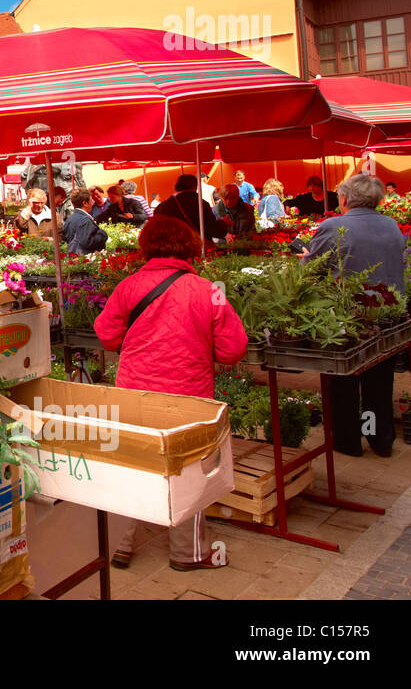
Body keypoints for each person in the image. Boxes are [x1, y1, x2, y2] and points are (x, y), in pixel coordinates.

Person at [95, 216, 247, 571]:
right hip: (187, 397)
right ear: (189, 247)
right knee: (188, 471)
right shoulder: (208, 289)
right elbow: (233, 349)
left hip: (134, 393)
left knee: (133, 465)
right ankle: (188, 553)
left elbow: (107, 335)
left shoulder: (128, 286)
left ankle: (120, 544)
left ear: (146, 246)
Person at [304, 174, 405, 458]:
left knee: (343, 381)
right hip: (388, 315)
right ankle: (379, 438)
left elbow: (313, 270)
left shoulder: (334, 225)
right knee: (379, 382)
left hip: (346, 318)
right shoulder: (391, 225)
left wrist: (305, 260)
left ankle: (348, 442)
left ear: (345, 198)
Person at [154, 175, 227, 242]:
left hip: (169, 250)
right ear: (195, 186)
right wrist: (223, 223)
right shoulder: (201, 204)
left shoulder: (161, 207)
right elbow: (213, 230)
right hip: (195, 249)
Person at [62, 188, 108, 255]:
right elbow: (88, 242)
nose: (92, 203)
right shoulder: (85, 220)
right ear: (85, 203)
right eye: (91, 200)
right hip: (84, 258)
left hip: (73, 259)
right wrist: (102, 234)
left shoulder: (69, 220)